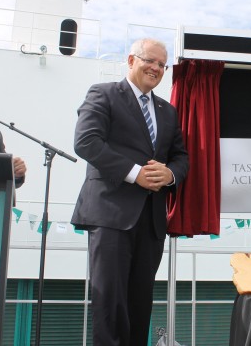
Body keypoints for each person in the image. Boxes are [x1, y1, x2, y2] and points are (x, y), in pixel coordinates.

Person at [71, 38, 189, 346]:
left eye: (162, 65)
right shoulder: (104, 93)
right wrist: (135, 174)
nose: (156, 68)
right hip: (110, 215)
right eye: (150, 61)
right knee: (110, 303)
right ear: (131, 60)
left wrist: (170, 174)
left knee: (140, 303)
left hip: (151, 221)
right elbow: (86, 142)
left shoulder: (168, 111)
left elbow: (181, 156)